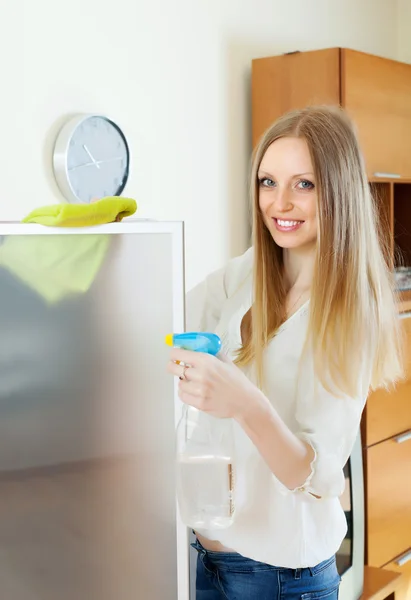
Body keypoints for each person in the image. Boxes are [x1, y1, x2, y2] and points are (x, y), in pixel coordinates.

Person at [167, 106, 403, 599]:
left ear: (337, 192)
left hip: (278, 580)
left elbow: (315, 477)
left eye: (304, 185)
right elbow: (167, 321)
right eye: (268, 182)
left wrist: (244, 403)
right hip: (207, 559)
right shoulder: (253, 271)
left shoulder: (349, 311)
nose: (280, 203)